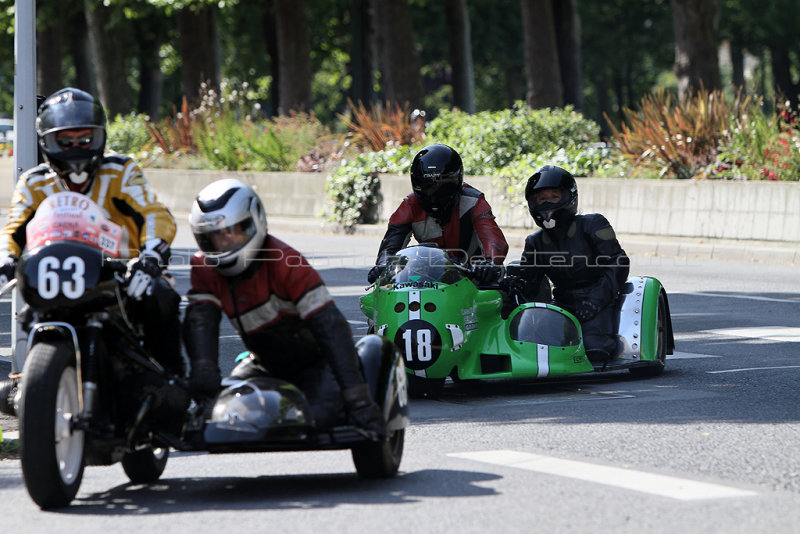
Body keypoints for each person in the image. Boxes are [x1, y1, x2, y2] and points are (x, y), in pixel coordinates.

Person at [0, 88, 182, 413]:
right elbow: (13, 228)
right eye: (64, 141)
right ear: (46, 142)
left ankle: (174, 387)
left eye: (85, 140)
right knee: (30, 315)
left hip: (123, 275)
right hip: (57, 273)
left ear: (100, 138)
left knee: (161, 296)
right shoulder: (33, 182)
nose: (75, 149)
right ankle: (29, 386)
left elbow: (153, 213)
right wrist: (6, 260)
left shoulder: (121, 170)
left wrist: (151, 256)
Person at [184, 178, 385, 439]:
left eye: (232, 231)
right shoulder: (204, 268)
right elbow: (201, 323)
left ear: (254, 221)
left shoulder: (286, 262)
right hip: (263, 364)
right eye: (213, 237)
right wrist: (204, 380)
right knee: (220, 417)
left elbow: (331, 327)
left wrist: (358, 400)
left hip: (317, 364)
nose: (223, 243)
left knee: (315, 420)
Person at [513, 165, 629, 363]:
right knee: (537, 352)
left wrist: (595, 300)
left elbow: (618, 262)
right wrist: (512, 282)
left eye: (554, 196)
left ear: (569, 197)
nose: (547, 202)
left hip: (599, 302)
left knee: (596, 351)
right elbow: (529, 282)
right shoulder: (535, 242)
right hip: (560, 307)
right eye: (541, 198)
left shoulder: (593, 224)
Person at [367, 143, 509, 284]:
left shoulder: (473, 202)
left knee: (501, 295)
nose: (434, 194)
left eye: (444, 185)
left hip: (474, 275)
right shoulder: (409, 205)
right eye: (427, 186)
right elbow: (391, 244)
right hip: (430, 276)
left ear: (458, 180)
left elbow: (493, 239)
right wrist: (383, 266)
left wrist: (489, 263)